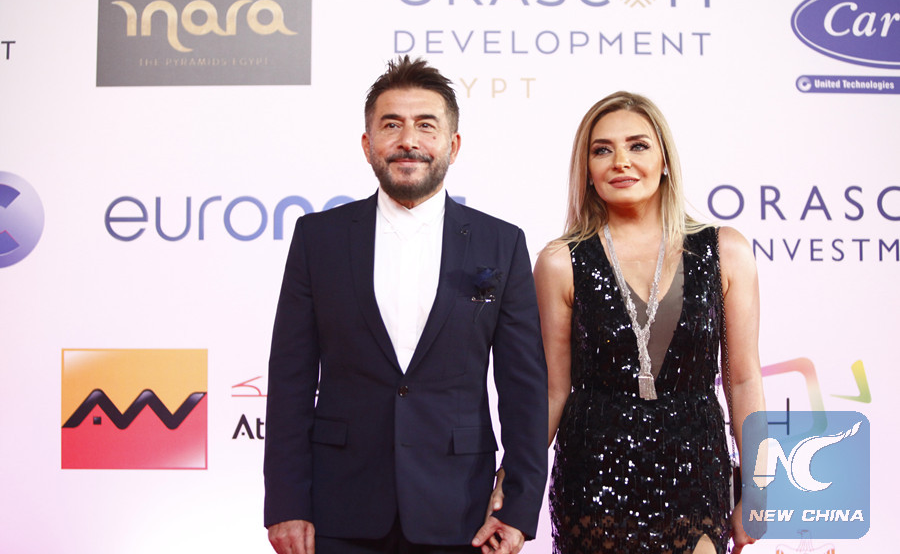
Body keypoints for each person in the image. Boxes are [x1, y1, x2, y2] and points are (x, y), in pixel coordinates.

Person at [263, 56, 548, 554]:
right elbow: (290, 379)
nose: (408, 140)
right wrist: (287, 502)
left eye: (426, 126)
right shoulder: (318, 239)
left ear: (453, 145)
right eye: (391, 125)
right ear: (367, 144)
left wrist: (519, 508)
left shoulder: (501, 243)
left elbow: (524, 390)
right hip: (338, 509)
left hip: (462, 512)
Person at [533, 92, 764, 554]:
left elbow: (743, 379)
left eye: (637, 145)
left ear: (665, 161)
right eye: (602, 150)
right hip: (594, 479)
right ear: (587, 170)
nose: (620, 161)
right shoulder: (561, 261)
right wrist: (513, 480)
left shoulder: (726, 250)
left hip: (696, 474)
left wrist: (761, 487)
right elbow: (553, 391)